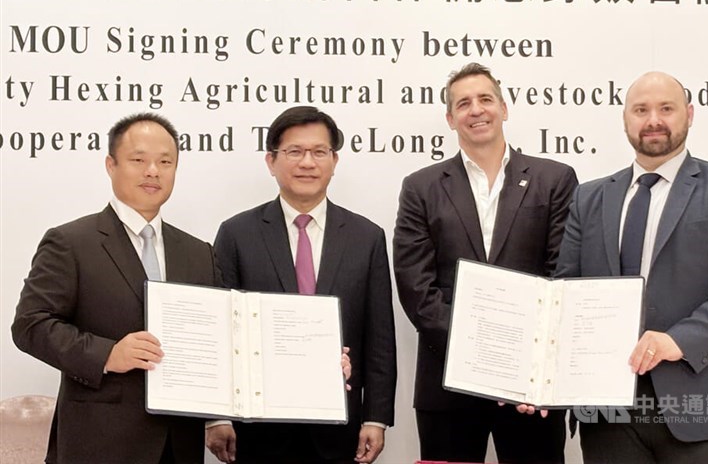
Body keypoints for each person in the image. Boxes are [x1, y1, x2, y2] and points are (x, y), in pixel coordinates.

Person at [555, 71, 708, 463]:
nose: (653, 119)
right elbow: (566, 294)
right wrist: (542, 377)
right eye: (641, 109)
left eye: (666, 108)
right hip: (611, 412)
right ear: (625, 119)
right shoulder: (588, 198)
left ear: (689, 114)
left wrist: (678, 340)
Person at [393, 63, 578, 464]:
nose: (476, 110)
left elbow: (561, 274)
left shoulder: (555, 179)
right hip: (448, 381)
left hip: (531, 385)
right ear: (449, 118)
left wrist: (518, 358)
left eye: (485, 99)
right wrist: (478, 353)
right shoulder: (421, 187)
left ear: (504, 108)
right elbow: (415, 286)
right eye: (463, 103)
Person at [12, 113, 219, 464]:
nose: (153, 171)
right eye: (138, 160)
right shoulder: (71, 242)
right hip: (99, 444)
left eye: (165, 162)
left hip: (179, 444)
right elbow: (30, 325)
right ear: (111, 164)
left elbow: (217, 340)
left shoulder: (199, 253)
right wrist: (107, 355)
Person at [208, 106, 396, 464]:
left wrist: (376, 417)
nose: (307, 162)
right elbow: (222, 331)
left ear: (334, 160)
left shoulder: (366, 237)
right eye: (294, 152)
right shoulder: (236, 234)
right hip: (260, 429)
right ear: (271, 161)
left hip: (340, 430)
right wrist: (217, 416)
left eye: (319, 152)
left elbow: (379, 337)